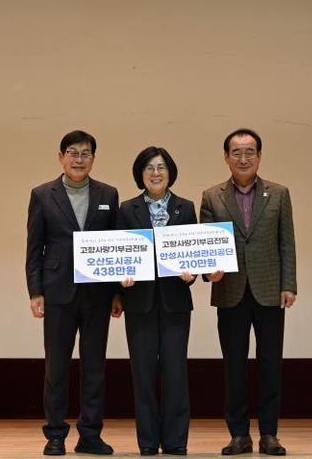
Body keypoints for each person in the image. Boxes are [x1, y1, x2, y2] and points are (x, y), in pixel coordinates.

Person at [200, 128, 297, 456]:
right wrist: (207, 271)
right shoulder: (212, 196)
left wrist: (289, 284)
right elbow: (206, 246)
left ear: (259, 156)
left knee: (270, 364)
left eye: (250, 152)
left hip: (270, 291)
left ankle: (269, 434)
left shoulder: (279, 193)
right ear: (226, 157)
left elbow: (286, 242)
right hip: (230, 292)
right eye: (236, 152)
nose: (243, 158)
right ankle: (239, 435)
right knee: (234, 367)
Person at [25, 130, 119, 456]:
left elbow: (115, 246)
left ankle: (90, 435)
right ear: (61, 157)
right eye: (73, 153)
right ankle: (55, 435)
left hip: (98, 295)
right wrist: (35, 291)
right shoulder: (42, 195)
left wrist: (117, 293)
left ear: (93, 158)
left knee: (94, 369)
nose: (79, 159)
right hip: (57, 293)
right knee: (57, 368)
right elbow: (34, 248)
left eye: (85, 153)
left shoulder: (108, 194)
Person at [111, 146, 196, 456]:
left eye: (161, 167)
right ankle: (147, 442)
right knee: (143, 375)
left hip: (176, 303)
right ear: (140, 174)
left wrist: (192, 274)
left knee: (176, 374)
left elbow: (194, 253)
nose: (156, 173)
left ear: (170, 172)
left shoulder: (186, 208)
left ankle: (175, 441)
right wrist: (120, 283)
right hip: (139, 303)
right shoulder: (126, 209)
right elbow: (119, 253)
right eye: (149, 168)